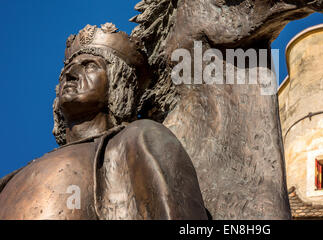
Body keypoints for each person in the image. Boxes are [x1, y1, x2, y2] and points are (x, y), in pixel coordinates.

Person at [0, 23, 207, 219]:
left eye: (89, 66)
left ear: (118, 83)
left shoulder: (139, 138)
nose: (69, 75)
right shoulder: (8, 182)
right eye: (66, 71)